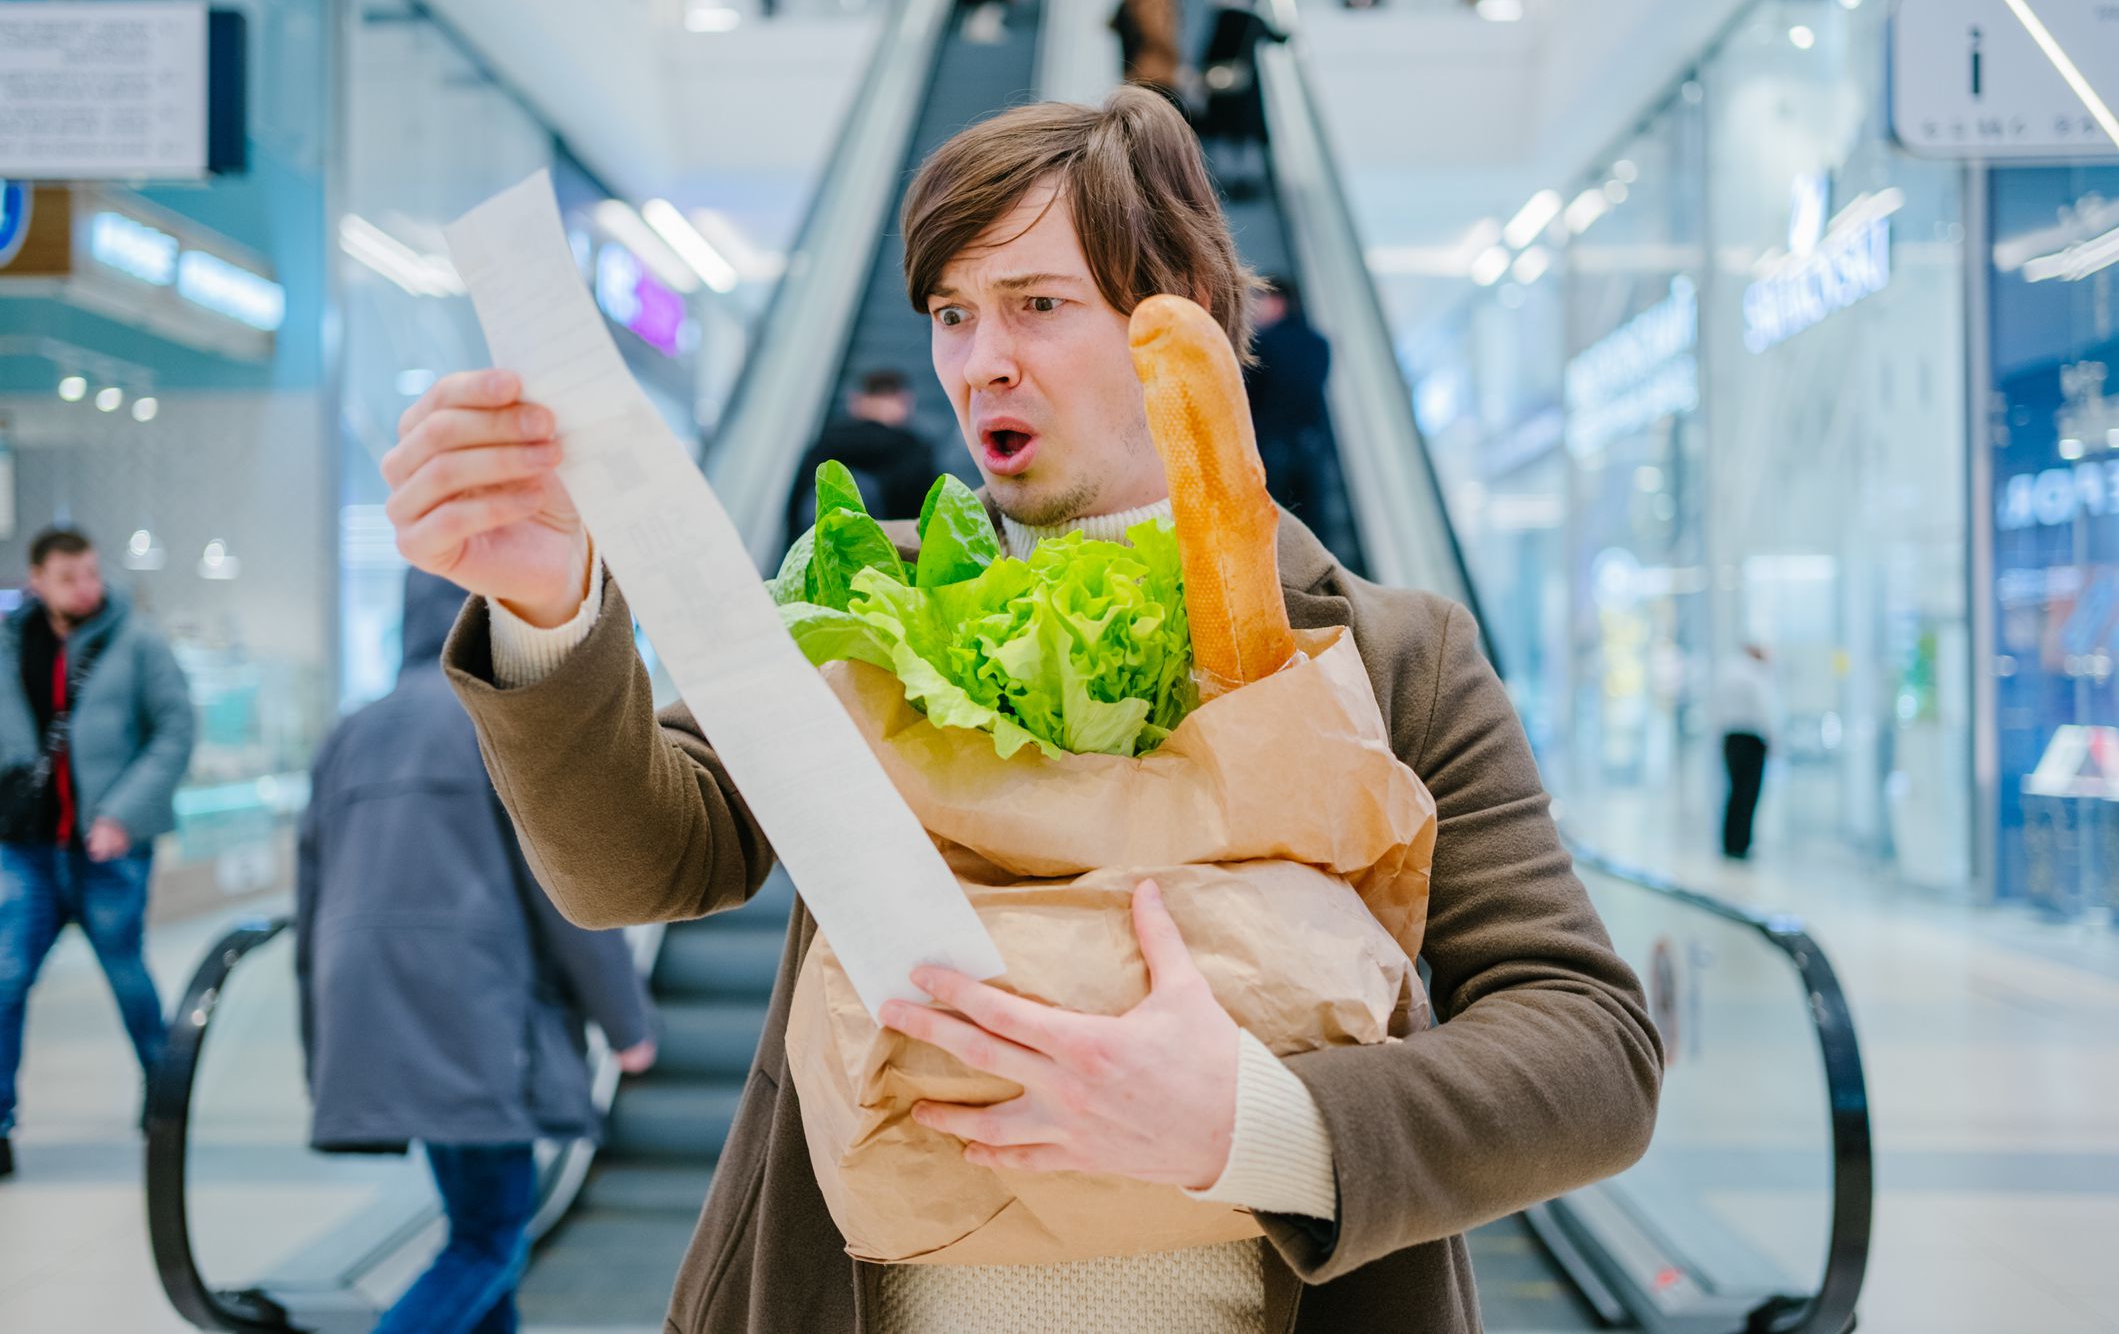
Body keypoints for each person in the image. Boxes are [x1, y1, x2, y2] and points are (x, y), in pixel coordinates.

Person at [383, 86, 1661, 1334]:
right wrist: (550, 605)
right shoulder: (861, 598)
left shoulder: (1391, 653)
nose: (981, 361)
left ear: (1190, 319)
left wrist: (1257, 1125)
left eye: (1038, 306)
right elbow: (644, 862)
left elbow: (1591, 1049)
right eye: (952, 312)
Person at [297, 569, 657, 1333]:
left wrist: (319, 1041)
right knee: (487, 1241)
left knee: (476, 1227)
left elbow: (309, 904)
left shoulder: (353, 731)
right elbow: (569, 891)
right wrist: (625, 1023)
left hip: (371, 1009)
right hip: (475, 1015)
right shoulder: (503, 719)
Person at [0, 526, 194, 1179]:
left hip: (107, 847)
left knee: (126, 976)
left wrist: (121, 814)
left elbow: (175, 729)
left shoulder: (136, 642)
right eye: (68, 577)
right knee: (6, 977)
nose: (86, 586)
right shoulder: (10, 643)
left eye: (90, 572)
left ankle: (168, 1099)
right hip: (27, 847)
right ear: (37, 580)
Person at [784, 370, 939, 547]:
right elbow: (926, 518)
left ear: (856, 400)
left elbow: (794, 510)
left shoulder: (826, 443)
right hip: (885, 562)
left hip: (820, 553)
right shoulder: (913, 451)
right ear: (904, 401)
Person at [1243, 277, 1331, 516]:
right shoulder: (1319, 344)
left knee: (1275, 520)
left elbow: (1250, 397)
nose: (1254, 309)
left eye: (1260, 299)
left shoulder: (1262, 345)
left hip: (1271, 448)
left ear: (1279, 302)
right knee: (1314, 520)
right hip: (1311, 444)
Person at [1193, 0, 1286, 197]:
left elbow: (1209, 50)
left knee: (1224, 131)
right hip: (1245, 87)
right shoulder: (1252, 19)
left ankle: (1225, 180)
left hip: (1221, 87)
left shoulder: (1223, 15)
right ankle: (1248, 180)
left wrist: (1201, 78)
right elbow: (1276, 36)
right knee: (1245, 133)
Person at [1717, 642, 1775, 860]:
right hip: (1751, 738)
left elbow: (1717, 708)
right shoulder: (1754, 674)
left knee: (1734, 792)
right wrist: (1771, 738)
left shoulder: (1727, 672)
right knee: (1748, 793)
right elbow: (1763, 709)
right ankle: (1741, 845)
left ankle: (1729, 842)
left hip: (1730, 737)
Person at [1111, 0, 1184, 98]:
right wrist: (1175, 55)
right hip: (1154, 71)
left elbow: (1112, 24)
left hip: (1136, 70)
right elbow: (1155, 31)